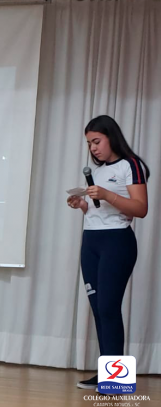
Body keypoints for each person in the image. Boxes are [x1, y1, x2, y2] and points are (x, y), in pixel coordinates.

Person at [67, 115, 149, 390]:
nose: (93, 148)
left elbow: (140, 209)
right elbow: (98, 211)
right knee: (98, 309)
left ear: (111, 137)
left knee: (108, 307)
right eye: (89, 143)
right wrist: (82, 204)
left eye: (96, 141)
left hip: (117, 242)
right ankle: (108, 374)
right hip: (91, 241)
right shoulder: (97, 171)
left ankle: (116, 380)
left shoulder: (131, 165)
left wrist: (107, 195)